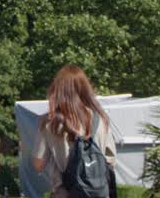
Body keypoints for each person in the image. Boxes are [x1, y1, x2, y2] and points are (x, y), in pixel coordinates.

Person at [32, 65, 118, 198]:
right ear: (85, 89)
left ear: (58, 90)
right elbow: (111, 161)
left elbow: (38, 165)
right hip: (97, 193)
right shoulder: (100, 119)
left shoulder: (51, 122)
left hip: (65, 193)